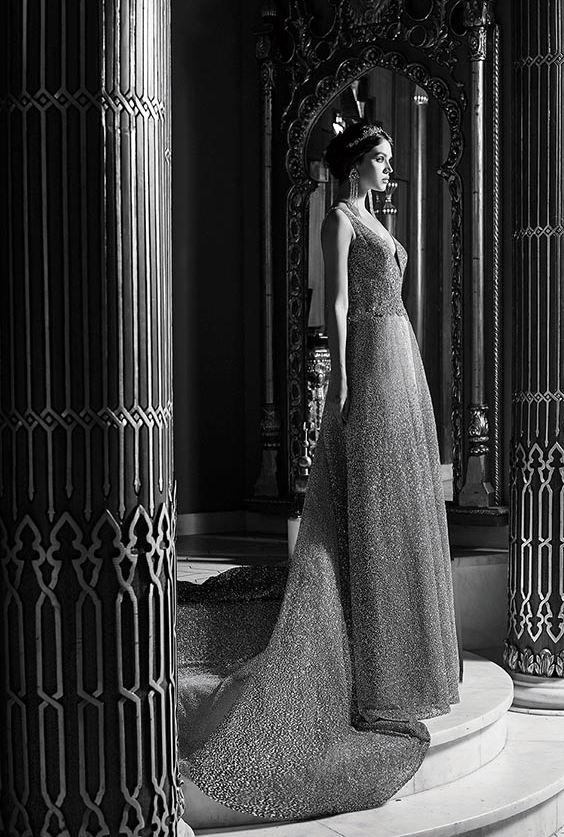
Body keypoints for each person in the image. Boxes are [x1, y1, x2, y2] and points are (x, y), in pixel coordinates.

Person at [179, 121, 459, 829]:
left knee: (399, 504)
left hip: (400, 358)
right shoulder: (339, 219)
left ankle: (403, 661)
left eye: (390, 158)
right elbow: (332, 302)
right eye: (382, 159)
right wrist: (341, 380)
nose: (390, 168)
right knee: (369, 502)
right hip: (369, 358)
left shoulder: (375, 217)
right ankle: (370, 665)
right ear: (356, 163)